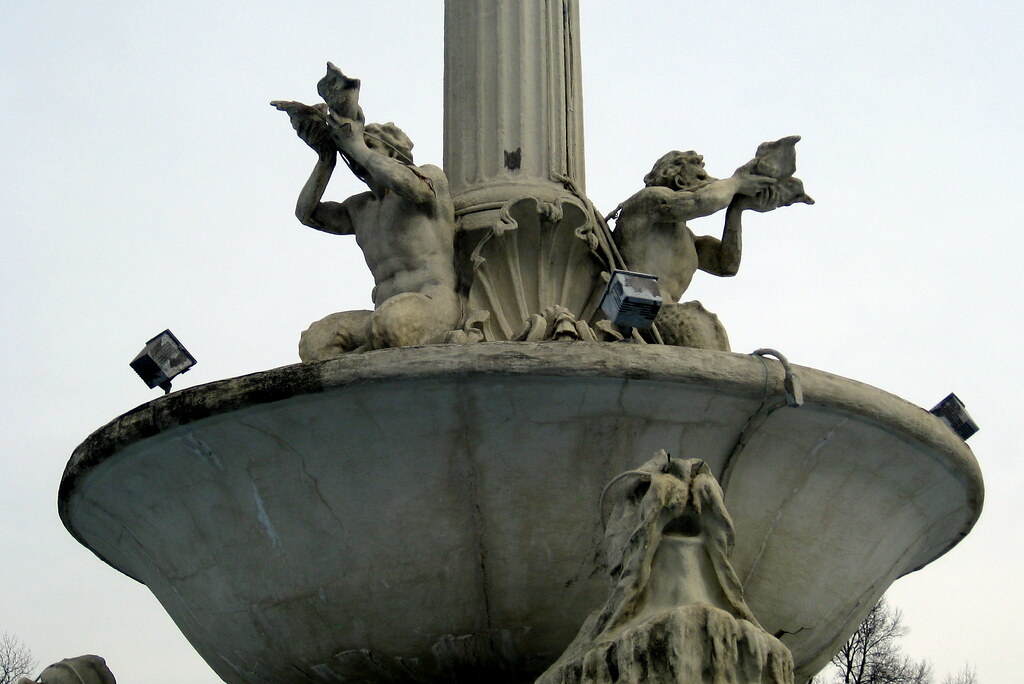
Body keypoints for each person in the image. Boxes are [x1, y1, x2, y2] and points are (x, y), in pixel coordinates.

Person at [276, 100, 461, 358]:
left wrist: (355, 144)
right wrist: (326, 159)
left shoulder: (428, 179)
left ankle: (369, 350)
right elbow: (306, 214)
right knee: (316, 342)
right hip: (381, 315)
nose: (357, 156)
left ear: (395, 154)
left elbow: (406, 184)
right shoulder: (359, 208)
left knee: (391, 325)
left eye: (371, 146)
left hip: (432, 305)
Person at [611, 150, 778, 304]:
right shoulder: (646, 201)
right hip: (639, 307)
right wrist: (736, 183)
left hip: (664, 315)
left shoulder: (689, 240)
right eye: (701, 178)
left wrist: (737, 208)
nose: (710, 183)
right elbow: (700, 202)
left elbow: (727, 265)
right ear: (677, 178)